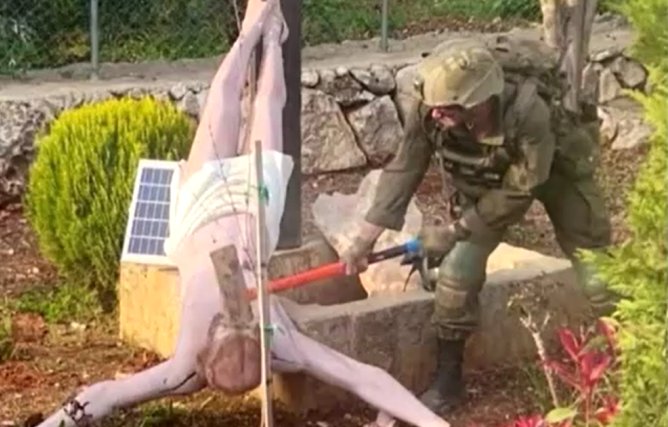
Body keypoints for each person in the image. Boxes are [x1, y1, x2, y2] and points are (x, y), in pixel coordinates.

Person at [33, 1, 449, 427]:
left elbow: (105, 395)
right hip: (252, 208)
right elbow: (363, 378)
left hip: (199, 209)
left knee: (228, 104)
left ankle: (262, 34)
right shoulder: (269, 346)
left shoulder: (201, 363)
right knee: (263, 105)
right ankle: (265, 37)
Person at [342, 38, 613, 416]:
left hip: (554, 173)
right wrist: (364, 239)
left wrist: (454, 231)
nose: (436, 113)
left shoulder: (528, 111)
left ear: (480, 101)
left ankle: (627, 352)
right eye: (434, 106)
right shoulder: (430, 107)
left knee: (594, 265)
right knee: (457, 271)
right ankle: (448, 381)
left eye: (448, 107)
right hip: (488, 182)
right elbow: (405, 168)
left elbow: (522, 187)